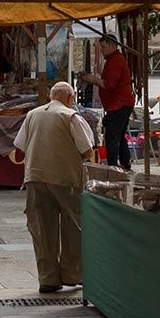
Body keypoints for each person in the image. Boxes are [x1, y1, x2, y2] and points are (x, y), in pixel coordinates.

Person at [15, 82, 97, 293]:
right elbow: (87, 149)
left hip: (34, 176)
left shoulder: (32, 115)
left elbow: (20, 145)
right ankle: (72, 274)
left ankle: (48, 278)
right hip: (65, 178)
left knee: (42, 228)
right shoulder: (71, 116)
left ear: (52, 97)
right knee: (73, 225)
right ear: (70, 98)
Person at [83, 35, 134, 169]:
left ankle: (112, 167)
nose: (102, 50)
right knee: (119, 135)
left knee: (113, 137)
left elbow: (110, 85)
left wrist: (94, 80)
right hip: (118, 104)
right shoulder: (113, 60)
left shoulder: (116, 60)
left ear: (112, 46)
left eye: (104, 47)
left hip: (119, 104)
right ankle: (125, 162)